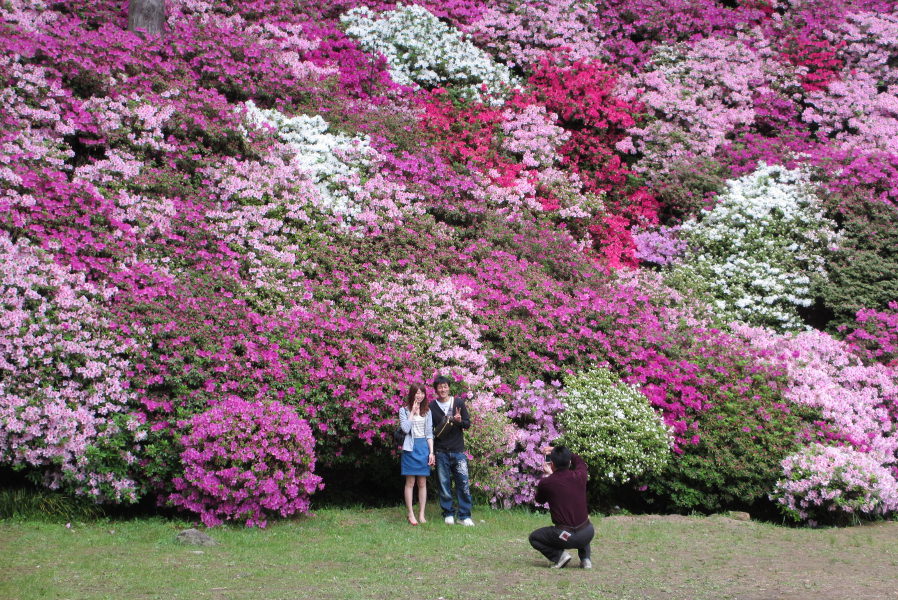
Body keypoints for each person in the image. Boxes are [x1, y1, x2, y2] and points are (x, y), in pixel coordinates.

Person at [529, 445, 594, 569]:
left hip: (565, 536)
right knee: (580, 520)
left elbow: (539, 500)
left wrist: (548, 477)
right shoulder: (580, 475)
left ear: (551, 463)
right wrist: (560, 451)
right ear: (569, 461)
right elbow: (579, 461)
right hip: (588, 532)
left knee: (534, 538)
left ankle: (560, 556)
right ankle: (586, 559)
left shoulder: (547, 482)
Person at [429, 375, 474, 526]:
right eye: (440, 387)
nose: (443, 389)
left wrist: (460, 421)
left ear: (449, 387)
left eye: (445, 386)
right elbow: (430, 430)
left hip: (458, 450)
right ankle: (448, 513)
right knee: (444, 484)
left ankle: (464, 516)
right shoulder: (432, 406)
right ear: (436, 389)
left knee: (463, 483)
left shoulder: (458, 403)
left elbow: (467, 424)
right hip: (441, 451)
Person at [398, 383, 435, 525]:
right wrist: (412, 413)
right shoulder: (403, 410)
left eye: (422, 393)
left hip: (423, 448)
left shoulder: (427, 411)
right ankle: (410, 514)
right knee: (410, 482)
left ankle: (421, 514)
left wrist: (431, 452)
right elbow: (405, 429)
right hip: (410, 448)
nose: (419, 395)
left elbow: (429, 433)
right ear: (412, 394)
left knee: (422, 482)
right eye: (417, 393)